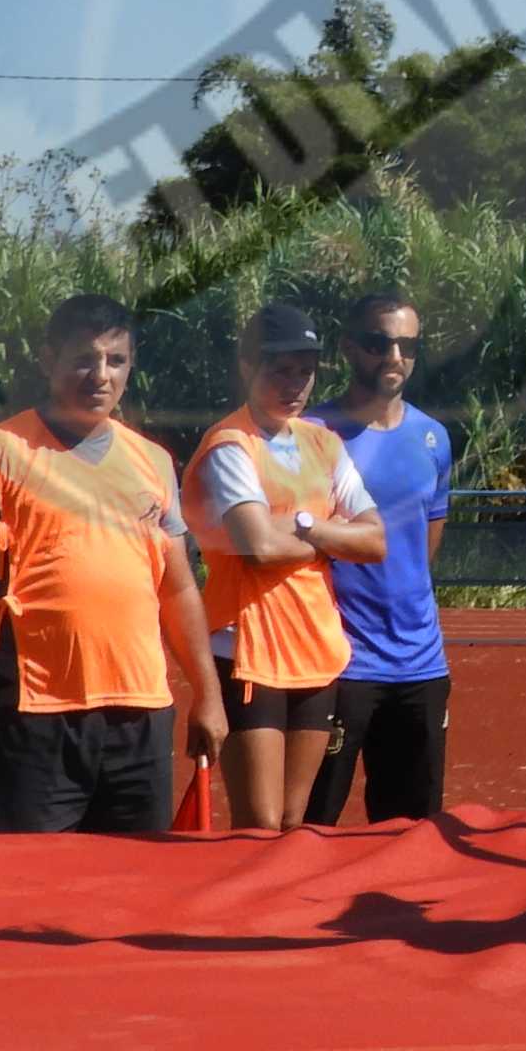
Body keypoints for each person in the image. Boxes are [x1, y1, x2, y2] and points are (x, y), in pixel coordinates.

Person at [0, 293, 225, 835]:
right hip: (32, 714)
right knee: (31, 877)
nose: (101, 375)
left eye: (116, 360)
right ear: (50, 360)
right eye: (85, 359)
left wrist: (208, 694)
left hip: (140, 715)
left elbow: (178, 589)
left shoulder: (153, 462)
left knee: (134, 878)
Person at [186, 302, 390, 829]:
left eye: (305, 371)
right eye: (280, 370)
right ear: (247, 367)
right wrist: (330, 537)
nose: (295, 385)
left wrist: (303, 528)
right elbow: (257, 547)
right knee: (259, 823)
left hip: (314, 643)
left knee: (296, 820)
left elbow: (375, 541)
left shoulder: (324, 442)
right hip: (247, 645)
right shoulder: (230, 445)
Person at [305, 290, 459, 826]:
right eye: (379, 342)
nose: (395, 356)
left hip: (420, 665)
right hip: (338, 662)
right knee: (311, 825)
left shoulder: (433, 437)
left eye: (408, 346)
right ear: (349, 347)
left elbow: (423, 546)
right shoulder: (311, 434)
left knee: (412, 834)